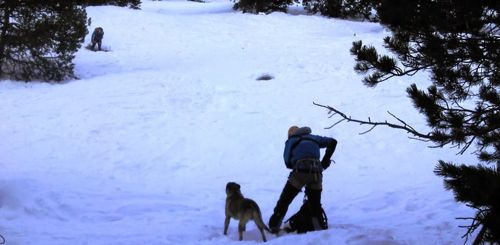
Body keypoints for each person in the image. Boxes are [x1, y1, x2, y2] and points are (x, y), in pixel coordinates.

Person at [268, 126, 337, 234]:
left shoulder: (291, 140)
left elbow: (287, 162)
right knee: (315, 205)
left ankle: (273, 227)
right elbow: (333, 142)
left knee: (285, 200)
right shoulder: (314, 138)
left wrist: (296, 162)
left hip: (300, 172)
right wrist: (325, 161)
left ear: (290, 134)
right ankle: (319, 231)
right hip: (316, 174)